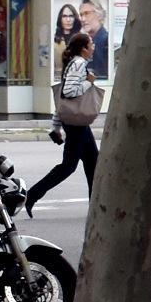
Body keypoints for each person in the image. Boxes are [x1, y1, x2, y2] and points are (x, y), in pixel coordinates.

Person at [31, 31, 101, 199]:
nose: (93, 48)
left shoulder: (73, 63)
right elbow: (69, 93)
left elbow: (63, 102)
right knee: (69, 167)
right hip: (76, 125)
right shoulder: (78, 64)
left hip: (75, 124)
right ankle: (31, 195)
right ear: (84, 48)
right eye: (91, 44)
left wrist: (55, 126)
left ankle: (95, 204)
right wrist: (88, 82)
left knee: (92, 163)